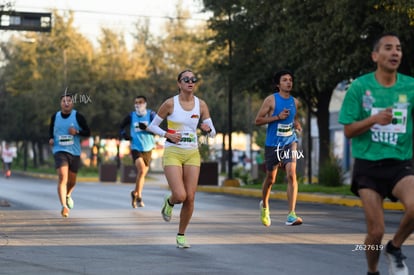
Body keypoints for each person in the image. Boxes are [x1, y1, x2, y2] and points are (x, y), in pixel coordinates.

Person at [339, 32, 414, 275]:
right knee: (376, 231)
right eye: (389, 48)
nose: (395, 53)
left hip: (400, 163)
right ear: (375, 56)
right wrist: (374, 119)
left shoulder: (410, 86)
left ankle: (394, 248)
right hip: (368, 166)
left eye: (399, 49)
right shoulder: (359, 87)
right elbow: (349, 130)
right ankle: (373, 271)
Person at [147, 69, 216, 248]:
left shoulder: (201, 105)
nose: (190, 82)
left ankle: (181, 235)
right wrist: (167, 134)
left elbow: (212, 131)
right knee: (180, 195)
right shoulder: (170, 104)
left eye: (193, 79)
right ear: (179, 84)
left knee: (190, 197)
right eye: (186, 79)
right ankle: (169, 202)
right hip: (173, 152)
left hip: (192, 152)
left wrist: (208, 131)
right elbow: (152, 126)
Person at [255, 69, 303, 227]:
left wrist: (296, 124)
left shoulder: (295, 102)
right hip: (273, 145)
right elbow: (258, 120)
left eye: (290, 79)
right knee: (271, 179)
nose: (289, 82)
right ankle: (265, 206)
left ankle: (291, 214)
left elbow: (293, 118)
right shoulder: (271, 100)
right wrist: (277, 117)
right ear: (278, 84)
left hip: (290, 142)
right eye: (285, 80)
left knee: (291, 174)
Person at [49, 93, 90, 218]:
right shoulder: (55, 116)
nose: (66, 103)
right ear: (60, 104)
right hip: (59, 150)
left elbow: (88, 132)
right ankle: (64, 206)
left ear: (72, 103)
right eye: (63, 101)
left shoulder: (78, 116)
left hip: (75, 152)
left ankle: (68, 195)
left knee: (72, 181)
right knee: (62, 176)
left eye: (69, 101)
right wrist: (50, 138)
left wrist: (76, 132)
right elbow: (51, 130)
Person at [120, 95, 156, 208]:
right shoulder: (131, 116)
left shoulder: (151, 115)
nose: (137, 104)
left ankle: (135, 193)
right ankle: (139, 196)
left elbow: (157, 129)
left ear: (145, 104)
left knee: (142, 173)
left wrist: (147, 128)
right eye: (136, 102)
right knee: (141, 169)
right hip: (136, 147)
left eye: (140, 102)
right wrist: (124, 135)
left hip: (148, 147)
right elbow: (121, 126)